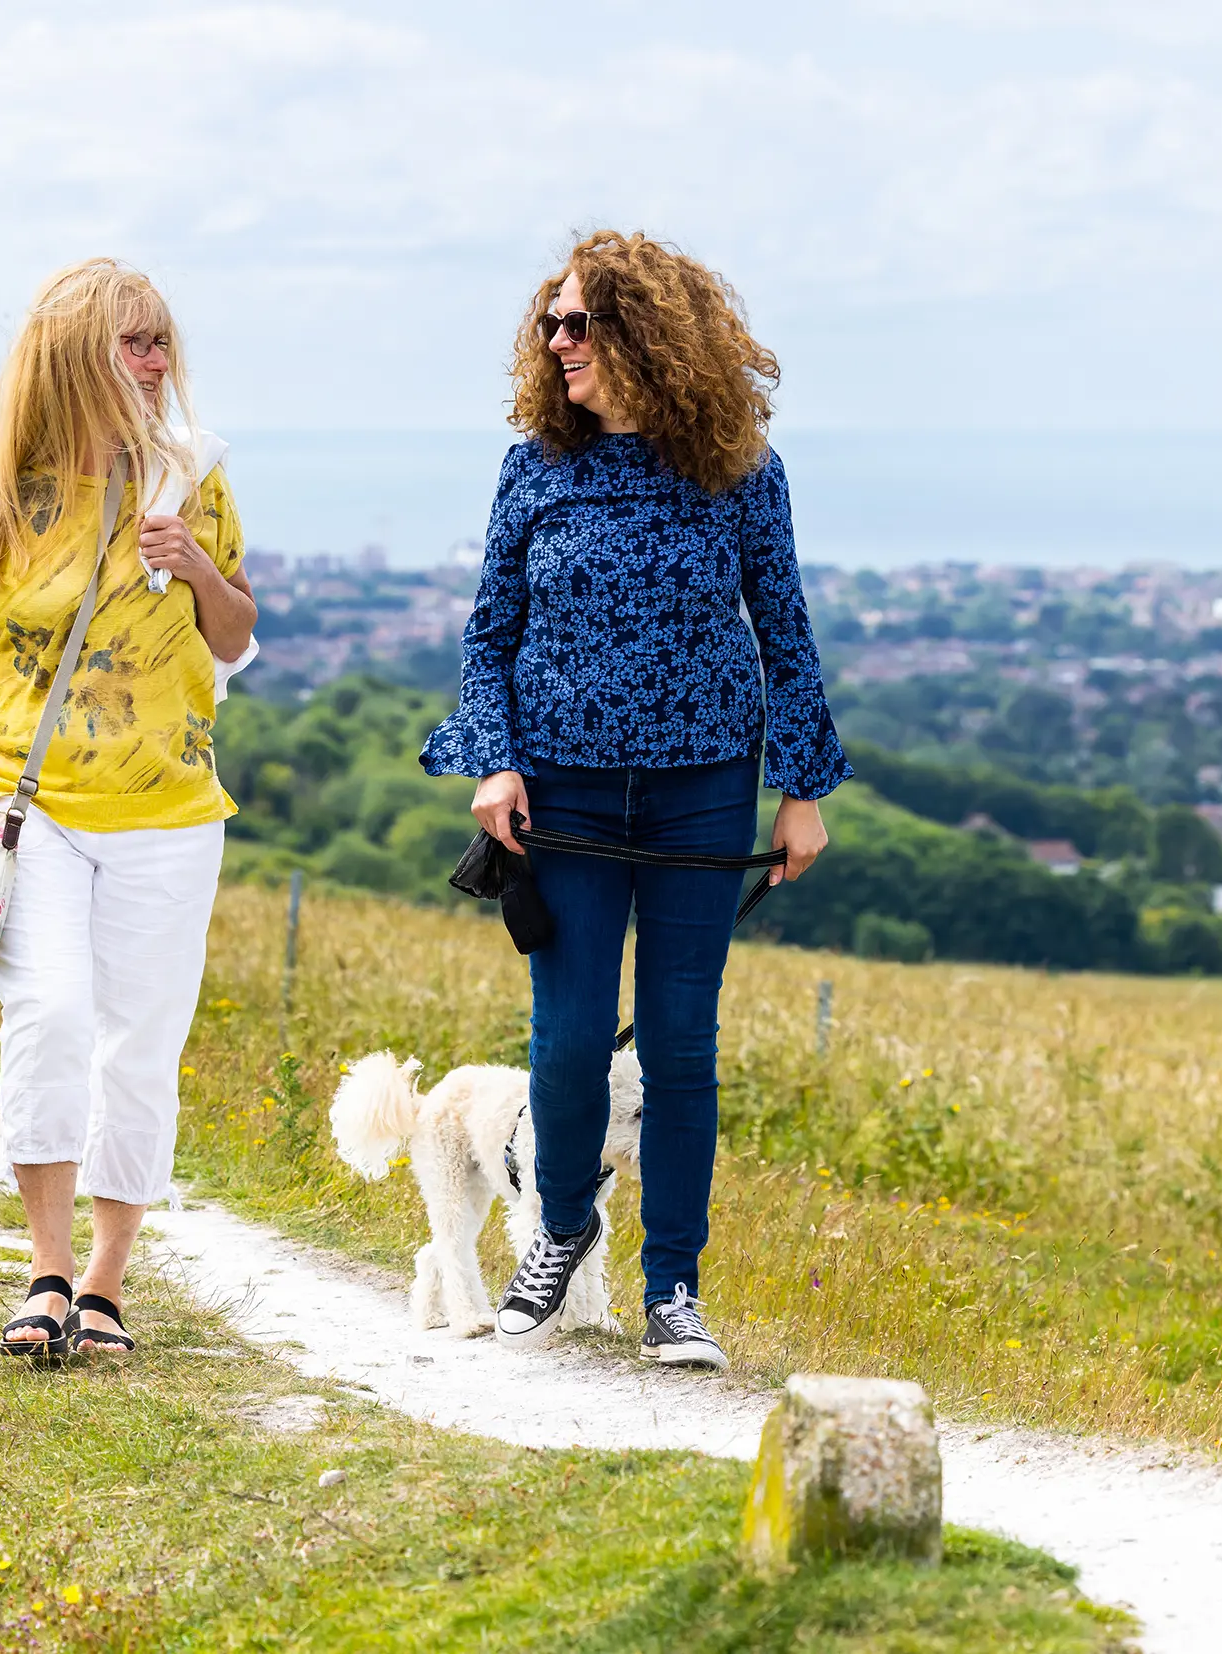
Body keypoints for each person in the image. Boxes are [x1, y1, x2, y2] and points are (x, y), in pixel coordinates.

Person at [420, 231, 849, 1370]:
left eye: (579, 322)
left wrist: (799, 792)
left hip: (701, 796)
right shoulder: (534, 470)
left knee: (677, 1047)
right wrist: (493, 761)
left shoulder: (741, 472)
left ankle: (674, 1290)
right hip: (557, 798)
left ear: (647, 335)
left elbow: (785, 632)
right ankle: (560, 1231)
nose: (555, 341)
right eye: (549, 322)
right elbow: (488, 637)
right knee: (564, 1045)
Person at [0, 258, 257, 1359]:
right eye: (132, 341)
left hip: (169, 809)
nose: (156, 361)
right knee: (54, 1016)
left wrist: (197, 568)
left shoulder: (192, 481)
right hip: (25, 810)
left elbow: (235, 637)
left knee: (141, 1045)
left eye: (162, 339)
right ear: (72, 358)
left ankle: (109, 1285)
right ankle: (46, 1267)